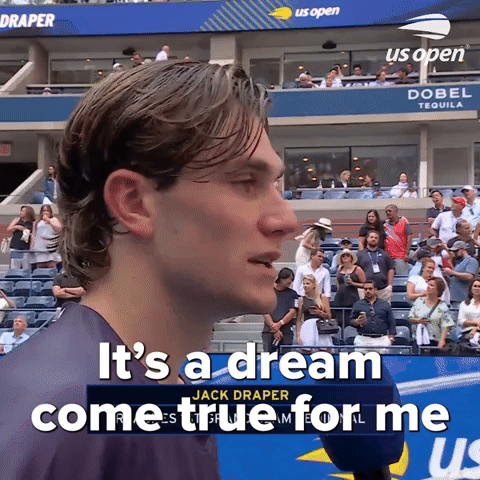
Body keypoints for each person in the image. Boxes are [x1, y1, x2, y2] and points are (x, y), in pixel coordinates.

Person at [0, 61, 298, 480]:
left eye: (275, 186)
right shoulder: (64, 422)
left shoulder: (149, 397)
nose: (287, 221)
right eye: (246, 182)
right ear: (134, 203)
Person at [408, 277, 454, 352]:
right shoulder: (419, 301)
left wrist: (442, 340)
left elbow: (446, 325)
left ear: (438, 290)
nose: (428, 287)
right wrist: (419, 321)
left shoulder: (442, 306)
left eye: (432, 285)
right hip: (418, 341)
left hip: (434, 342)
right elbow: (410, 318)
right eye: (428, 284)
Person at [350, 281, 396, 353]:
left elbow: (391, 322)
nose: (368, 291)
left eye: (370, 288)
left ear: (375, 290)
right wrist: (356, 322)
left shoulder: (384, 304)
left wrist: (391, 338)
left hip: (381, 340)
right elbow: (351, 321)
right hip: (363, 339)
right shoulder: (357, 304)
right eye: (365, 289)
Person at [262, 268, 298, 353]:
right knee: (268, 355)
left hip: (286, 330)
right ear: (282, 277)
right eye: (289, 278)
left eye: (292, 279)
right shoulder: (267, 291)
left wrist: (280, 323)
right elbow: (264, 310)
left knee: (286, 355)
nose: (290, 281)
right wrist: (275, 328)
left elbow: (292, 311)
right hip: (269, 330)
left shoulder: (293, 294)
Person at [296, 274, 333, 349]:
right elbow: (299, 319)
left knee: (324, 349)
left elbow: (329, 316)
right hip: (307, 326)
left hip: (321, 326)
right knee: (307, 349)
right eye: (304, 284)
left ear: (313, 285)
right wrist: (298, 334)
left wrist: (320, 313)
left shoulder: (322, 297)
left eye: (307, 283)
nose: (305, 286)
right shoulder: (301, 299)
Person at [356, 231, 394, 303]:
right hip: (366, 289)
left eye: (376, 238)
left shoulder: (385, 254)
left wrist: (389, 285)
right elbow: (356, 269)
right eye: (371, 237)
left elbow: (391, 269)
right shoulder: (360, 254)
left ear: (378, 240)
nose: (373, 239)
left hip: (383, 289)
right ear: (367, 239)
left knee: (383, 309)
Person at [332, 249, 366, 328]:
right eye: (343, 256)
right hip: (340, 299)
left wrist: (353, 283)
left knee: (351, 320)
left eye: (347, 255)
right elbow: (338, 282)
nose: (345, 257)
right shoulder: (340, 268)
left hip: (352, 298)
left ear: (351, 258)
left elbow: (365, 284)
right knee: (339, 320)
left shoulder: (357, 269)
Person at [444, 241, 479, 308]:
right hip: (454, 299)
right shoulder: (459, 262)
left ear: (463, 249)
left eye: (456, 251)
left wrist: (452, 272)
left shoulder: (471, 260)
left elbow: (470, 276)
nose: (454, 253)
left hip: (464, 299)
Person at [384, 204, 413, 275]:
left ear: (395, 211)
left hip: (400, 257)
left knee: (402, 278)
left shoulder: (404, 222)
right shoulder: (384, 225)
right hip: (388, 257)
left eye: (390, 211)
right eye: (386, 211)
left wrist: (406, 253)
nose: (388, 213)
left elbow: (409, 237)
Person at [457, 278, 480, 349]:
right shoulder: (464, 304)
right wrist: (476, 322)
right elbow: (460, 321)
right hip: (466, 333)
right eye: (475, 286)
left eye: (479, 286)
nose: (477, 288)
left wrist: (475, 329)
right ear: (471, 288)